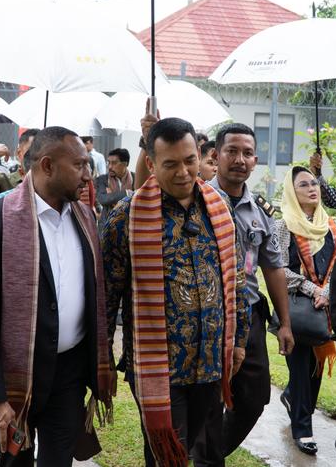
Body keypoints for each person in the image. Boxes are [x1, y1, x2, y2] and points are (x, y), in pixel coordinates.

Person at [102, 117, 251, 467]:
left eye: (189, 160)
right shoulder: (127, 217)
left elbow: (236, 279)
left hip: (211, 362)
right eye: (170, 164)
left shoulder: (219, 206)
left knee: (187, 449)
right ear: (151, 164)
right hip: (159, 370)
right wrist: (103, 359)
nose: (183, 172)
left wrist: (239, 339)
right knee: (167, 456)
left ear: (200, 155)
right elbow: (107, 295)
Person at [0, 126, 114, 467]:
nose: (88, 176)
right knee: (15, 461)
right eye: (79, 165)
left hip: (69, 372)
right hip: (18, 375)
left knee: (58, 461)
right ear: (47, 165)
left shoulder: (86, 217)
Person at [192, 123, 294, 466]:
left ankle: (208, 452)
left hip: (248, 316)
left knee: (253, 397)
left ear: (255, 160)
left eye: (247, 153)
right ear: (214, 156)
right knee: (208, 398)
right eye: (231, 151)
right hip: (206, 317)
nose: (239, 159)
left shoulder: (262, 212)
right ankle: (207, 459)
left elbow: (274, 267)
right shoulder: (195, 201)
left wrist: (284, 323)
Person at [273, 166, 336, 455]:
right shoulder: (283, 226)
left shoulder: (333, 226)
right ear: (292, 191)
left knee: (313, 371)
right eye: (303, 185)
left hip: (325, 310)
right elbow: (278, 271)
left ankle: (293, 400)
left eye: (314, 183)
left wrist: (329, 291)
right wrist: (313, 289)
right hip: (295, 310)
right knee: (300, 369)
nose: (312, 188)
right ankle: (303, 430)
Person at [94, 148, 134, 228]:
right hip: (107, 226)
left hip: (129, 226)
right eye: (108, 163)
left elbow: (140, 199)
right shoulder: (102, 179)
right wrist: (128, 193)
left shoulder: (135, 178)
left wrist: (112, 196)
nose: (110, 167)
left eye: (114, 163)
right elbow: (103, 199)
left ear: (125, 164)